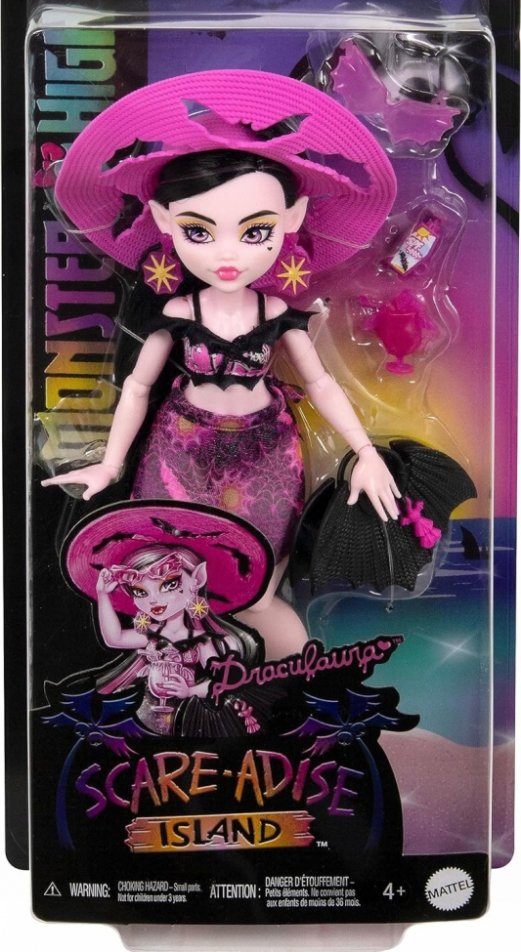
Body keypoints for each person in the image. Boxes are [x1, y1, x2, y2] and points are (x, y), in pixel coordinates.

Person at [42, 69, 400, 657]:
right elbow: (137, 387)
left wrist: (365, 451)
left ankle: (276, 681)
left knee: (256, 587)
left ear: (292, 218)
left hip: (268, 451)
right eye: (199, 232)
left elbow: (320, 381)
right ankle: (185, 680)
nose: (228, 254)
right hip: (179, 448)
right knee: (174, 578)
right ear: (164, 221)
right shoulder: (178, 312)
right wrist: (109, 464)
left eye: (255, 232)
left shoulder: (276, 312)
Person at [62, 501, 272, 735]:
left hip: (184, 717)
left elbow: (221, 683)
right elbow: (114, 638)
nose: (153, 600)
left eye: (169, 585)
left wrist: (190, 691)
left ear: (197, 579)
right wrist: (103, 595)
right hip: (143, 713)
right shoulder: (151, 634)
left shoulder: (201, 640)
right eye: (140, 591)